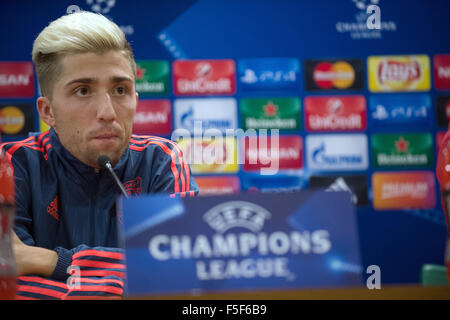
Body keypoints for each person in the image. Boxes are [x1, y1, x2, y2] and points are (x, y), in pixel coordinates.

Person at [0, 11, 198, 288]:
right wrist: (135, 274)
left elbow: (182, 274)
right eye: (82, 91)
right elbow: (13, 285)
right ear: (48, 111)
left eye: (120, 90)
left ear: (135, 99)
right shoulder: (11, 164)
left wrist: (48, 262)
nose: (108, 112)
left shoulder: (160, 160)